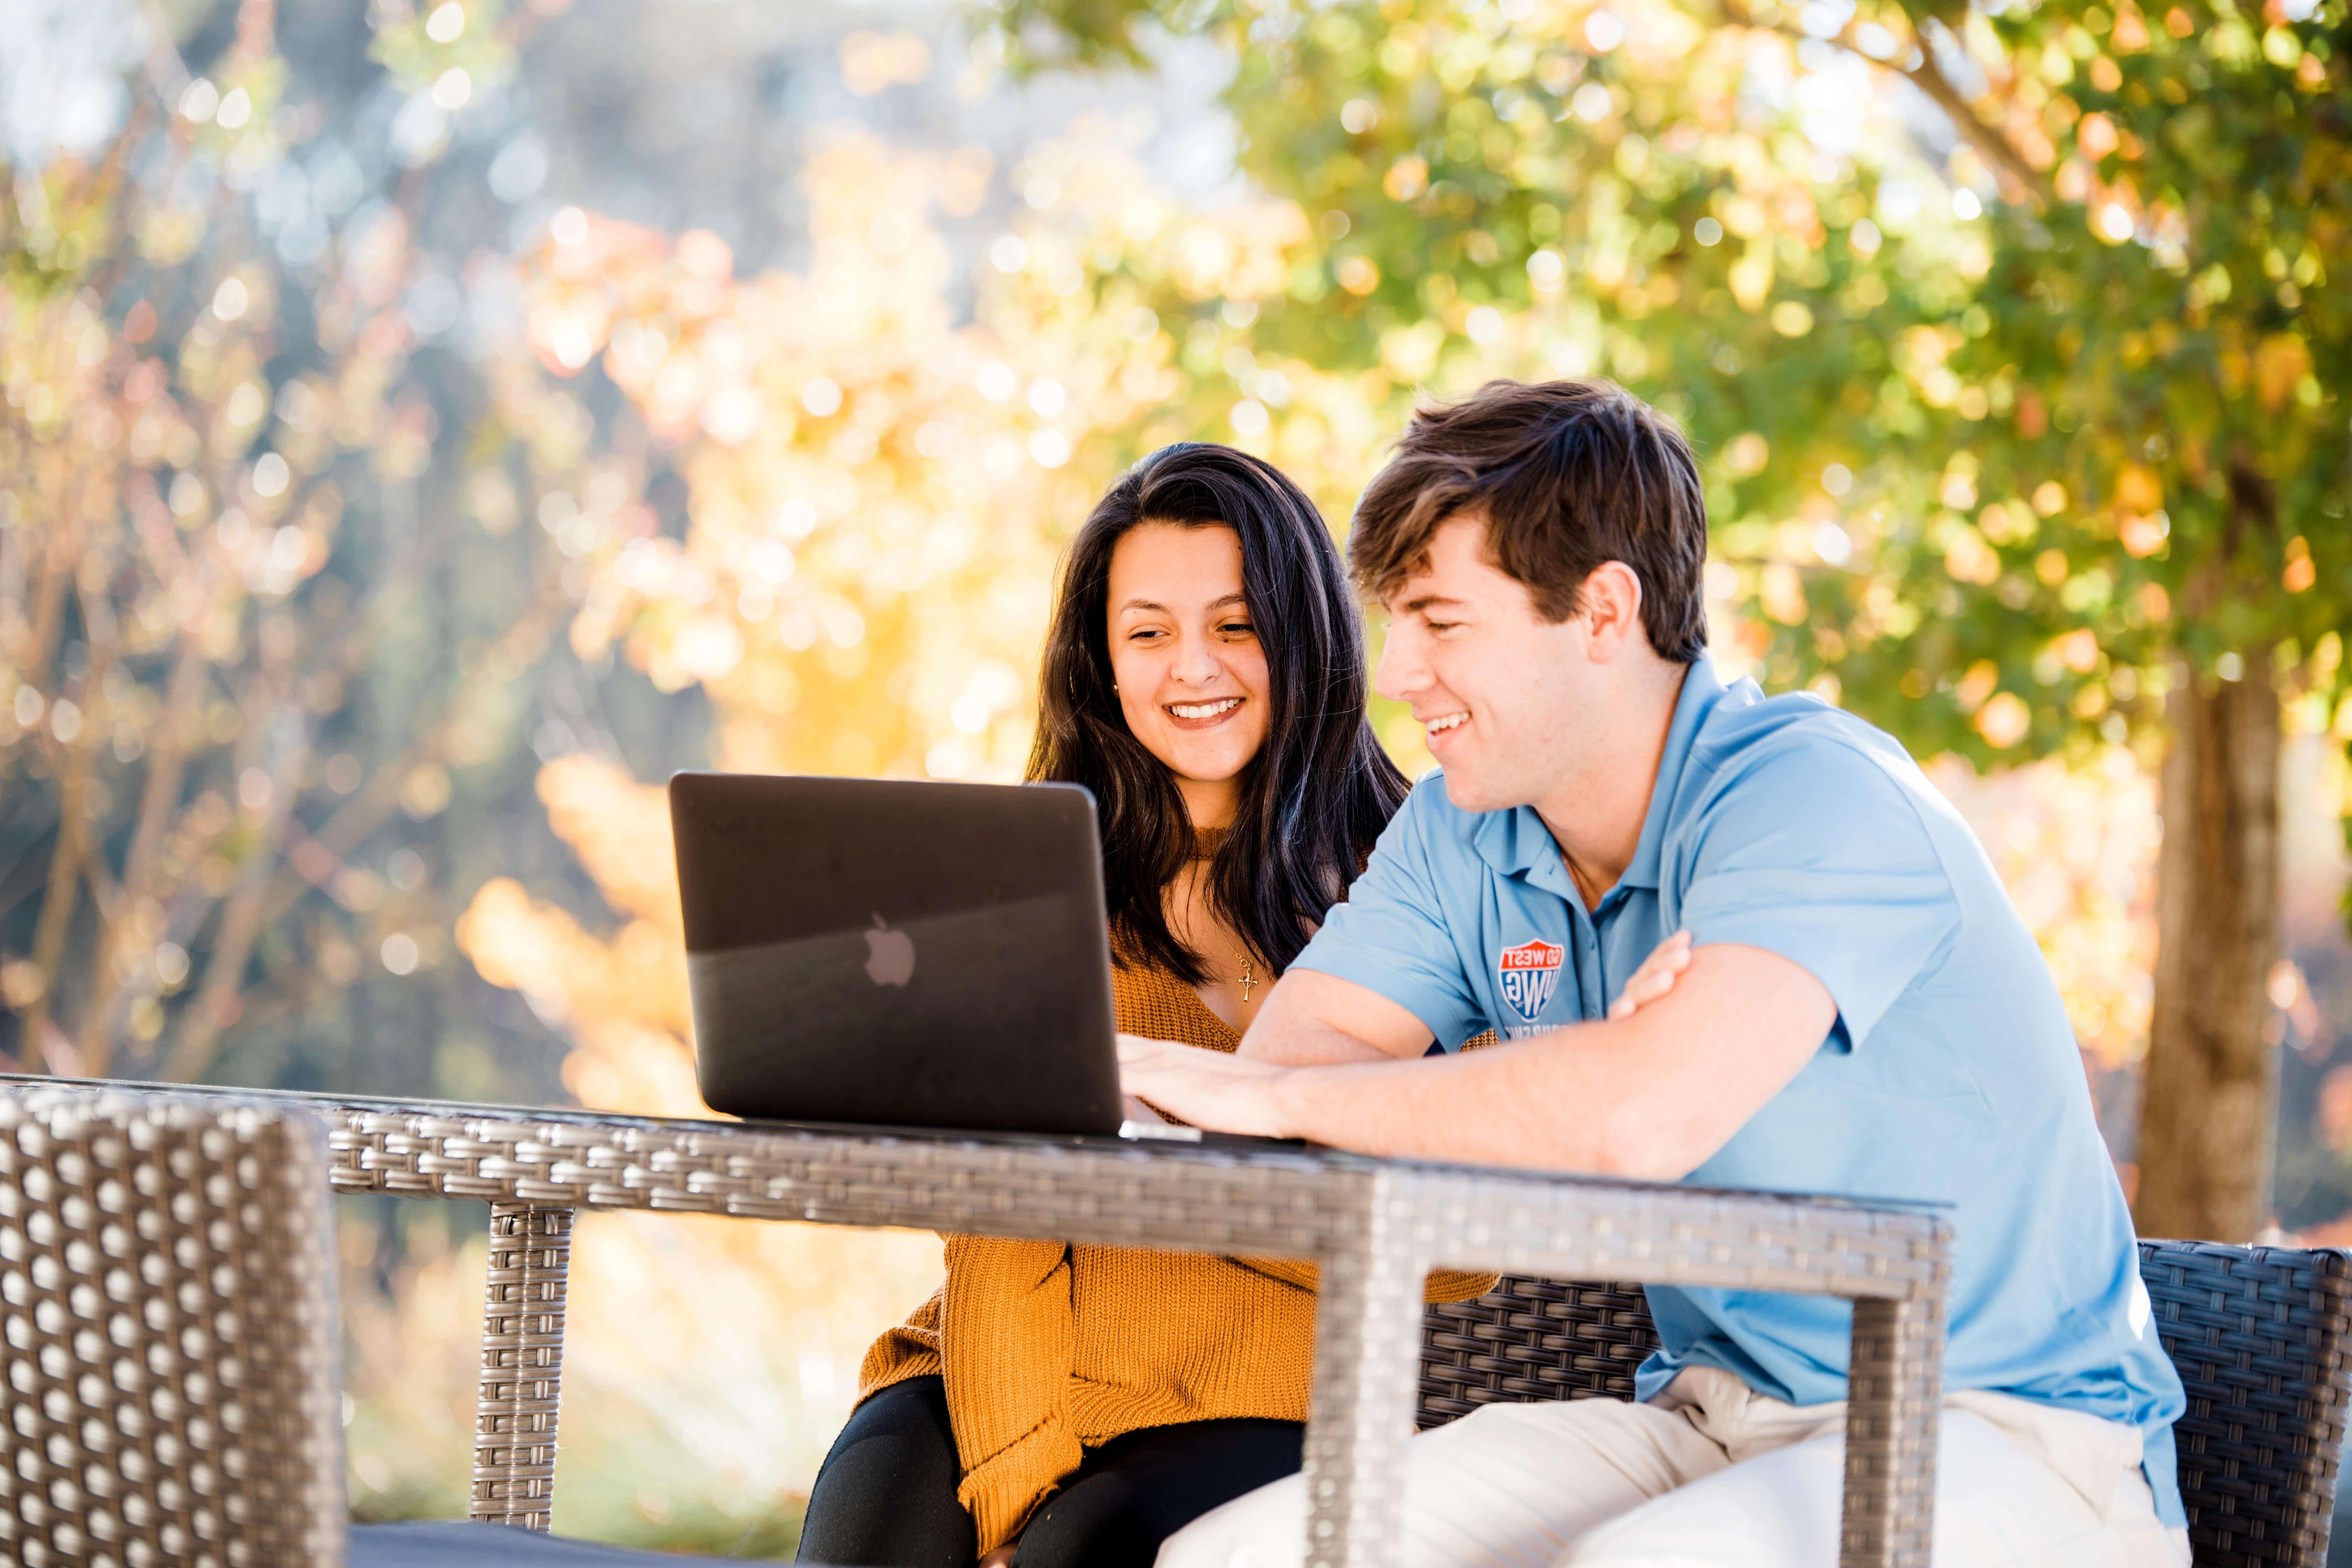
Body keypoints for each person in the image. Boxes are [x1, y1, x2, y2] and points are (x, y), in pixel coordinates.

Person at [1120, 381, 2190, 1568]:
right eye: (1394, 621)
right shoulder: (1460, 830)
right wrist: (1573, 1079)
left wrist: (1605, 1084)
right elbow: (1287, 1087)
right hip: (1710, 1416)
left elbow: (1637, 1119)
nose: (1399, 669)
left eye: (1440, 620)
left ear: (1602, 610)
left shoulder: (1818, 796)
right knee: (1237, 1560)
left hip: (2003, 1435)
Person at [794, 443, 1499, 1568]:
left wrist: (1177, 1184)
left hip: (1276, 1395)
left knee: (1089, 1552)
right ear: (1104, 664)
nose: (1192, 668)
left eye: (1234, 624)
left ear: (1305, 638)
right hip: (990, 1359)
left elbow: (1459, 1252)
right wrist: (1018, 1465)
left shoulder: (1413, 877)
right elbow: (997, 1210)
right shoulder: (1029, 872)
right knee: (876, 1536)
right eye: (1148, 632)